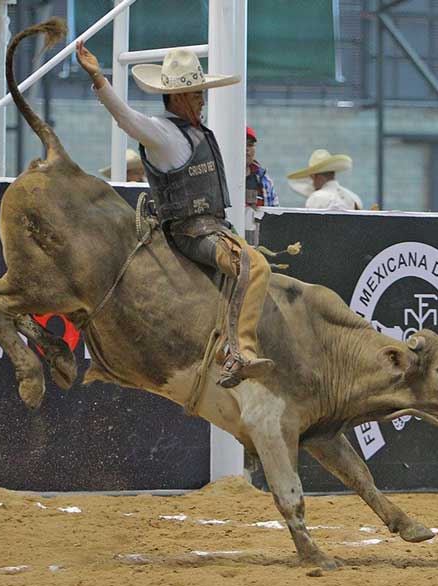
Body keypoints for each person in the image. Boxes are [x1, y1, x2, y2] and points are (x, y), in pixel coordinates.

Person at [76, 42, 274, 389]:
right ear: (179, 96)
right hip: (192, 233)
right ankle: (236, 350)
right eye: (197, 94)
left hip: (211, 229)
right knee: (252, 265)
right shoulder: (162, 133)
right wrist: (100, 80)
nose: (202, 100)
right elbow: (126, 118)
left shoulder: (189, 130)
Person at [287, 149, 362, 210]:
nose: (312, 183)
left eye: (312, 178)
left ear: (319, 177)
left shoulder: (316, 198)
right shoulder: (354, 197)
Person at [245, 126, 277, 209]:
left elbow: (275, 213)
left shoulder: (263, 179)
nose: (246, 149)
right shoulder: (221, 177)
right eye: (242, 144)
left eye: (250, 145)